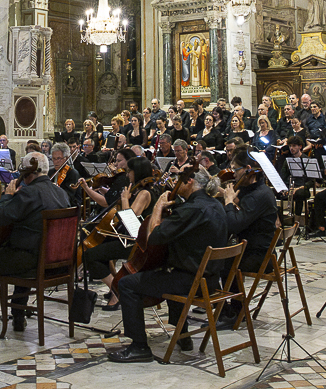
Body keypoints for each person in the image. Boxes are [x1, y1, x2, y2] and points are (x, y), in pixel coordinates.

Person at [108, 165, 227, 362]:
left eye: (179, 180)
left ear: (189, 182)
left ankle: (139, 346)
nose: (175, 184)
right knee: (171, 268)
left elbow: (154, 237)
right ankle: (183, 336)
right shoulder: (216, 205)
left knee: (127, 284)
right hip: (211, 280)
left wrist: (157, 209)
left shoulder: (191, 209)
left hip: (192, 282)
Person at [0, 153, 70, 337]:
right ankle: (18, 315)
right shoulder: (60, 192)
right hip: (57, 262)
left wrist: (7, 196)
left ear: (29, 172)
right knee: (22, 252)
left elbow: (1, 217)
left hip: (31, 261)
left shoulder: (29, 192)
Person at [83, 156, 159, 310]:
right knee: (98, 249)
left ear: (136, 172)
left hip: (137, 245)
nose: (127, 174)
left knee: (89, 256)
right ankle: (116, 286)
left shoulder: (144, 193)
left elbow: (130, 219)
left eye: (129, 171)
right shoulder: (142, 190)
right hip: (133, 240)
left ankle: (117, 291)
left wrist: (125, 199)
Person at [217, 147, 278, 327]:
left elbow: (234, 224)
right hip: (258, 248)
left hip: (260, 256)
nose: (233, 174)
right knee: (224, 258)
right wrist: (228, 196)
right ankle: (227, 308)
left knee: (222, 263)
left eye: (235, 169)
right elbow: (242, 206)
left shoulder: (258, 195)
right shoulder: (253, 189)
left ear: (248, 169)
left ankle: (235, 312)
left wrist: (228, 202)